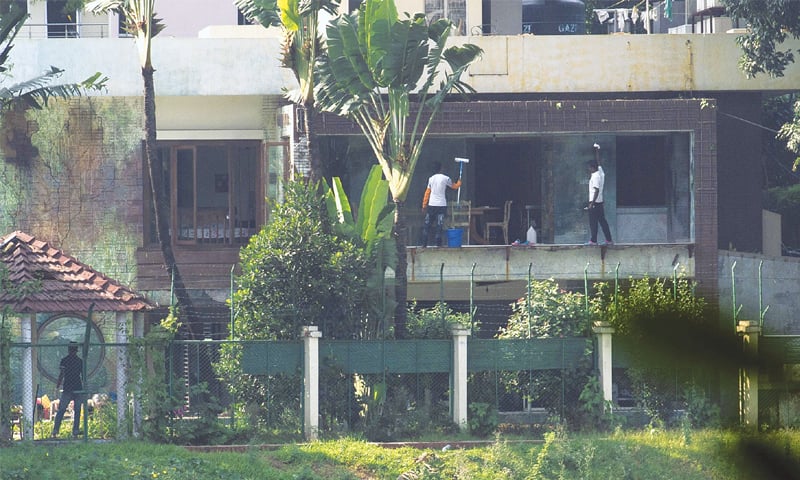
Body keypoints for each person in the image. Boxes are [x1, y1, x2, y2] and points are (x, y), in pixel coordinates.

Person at [420, 161, 461, 247]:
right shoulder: (446, 178)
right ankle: (438, 244)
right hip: (442, 205)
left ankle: (424, 244)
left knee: (427, 225)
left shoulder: (431, 179)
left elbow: (427, 193)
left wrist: (424, 205)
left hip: (432, 204)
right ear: (441, 169)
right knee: (439, 224)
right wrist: (459, 182)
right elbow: (454, 186)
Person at [52, 341, 84, 438]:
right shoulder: (79, 361)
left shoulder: (65, 360)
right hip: (76, 387)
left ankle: (56, 430)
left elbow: (61, 375)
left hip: (69, 387)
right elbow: (83, 376)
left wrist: (57, 386)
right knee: (75, 410)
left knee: (62, 409)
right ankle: (74, 431)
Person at [586, 143, 613, 246]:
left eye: (589, 167)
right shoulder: (600, 172)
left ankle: (593, 240)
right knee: (602, 221)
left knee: (593, 222)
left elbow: (596, 190)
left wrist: (591, 203)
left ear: (592, 168)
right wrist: (597, 150)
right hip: (599, 202)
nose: (589, 169)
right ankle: (609, 240)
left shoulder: (596, 176)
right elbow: (598, 162)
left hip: (595, 202)